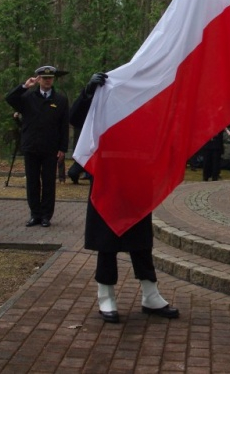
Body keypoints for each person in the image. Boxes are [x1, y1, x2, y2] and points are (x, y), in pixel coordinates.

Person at [70, 71, 180, 324]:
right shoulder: (102, 101)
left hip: (137, 181)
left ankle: (150, 295)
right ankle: (105, 295)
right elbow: (76, 119)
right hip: (108, 180)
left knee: (141, 243)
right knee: (106, 243)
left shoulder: (146, 106)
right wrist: (87, 94)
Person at [5, 65, 70, 228]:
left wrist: (63, 148)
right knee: (33, 182)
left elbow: (63, 126)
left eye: (50, 78)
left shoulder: (60, 100)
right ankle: (35, 214)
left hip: (50, 148)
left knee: (48, 183)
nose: (47, 81)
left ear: (53, 80)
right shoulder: (27, 97)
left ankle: (46, 216)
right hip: (31, 146)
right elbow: (10, 99)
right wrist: (24, 86)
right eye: (44, 78)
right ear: (38, 79)